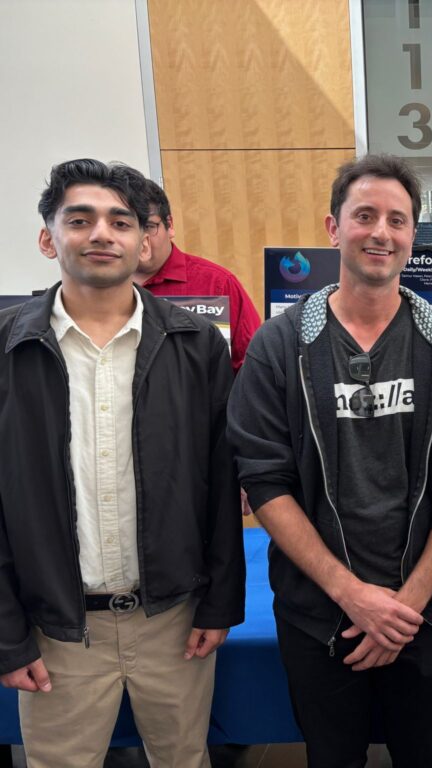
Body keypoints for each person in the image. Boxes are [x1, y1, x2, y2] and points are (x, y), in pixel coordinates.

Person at [227, 154, 432, 768]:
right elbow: (265, 483)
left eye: (397, 220)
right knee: (332, 758)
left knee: (425, 756)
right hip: (319, 613)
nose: (381, 232)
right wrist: (353, 597)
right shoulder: (281, 346)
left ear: (412, 236)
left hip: (421, 616)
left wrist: (401, 608)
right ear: (332, 228)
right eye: (365, 215)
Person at [0, 159, 244, 767]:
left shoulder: (197, 346)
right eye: (80, 220)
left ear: (144, 240)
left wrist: (220, 603)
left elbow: (221, 483)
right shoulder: (7, 348)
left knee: (184, 760)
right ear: (48, 237)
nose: (102, 234)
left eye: (121, 221)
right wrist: (5, 631)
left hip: (173, 620)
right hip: (54, 626)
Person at [132, 177, 261, 372]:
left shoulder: (217, 284)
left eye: (149, 226)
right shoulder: (101, 289)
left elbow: (253, 366)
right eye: (124, 226)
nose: (140, 239)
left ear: (170, 225)